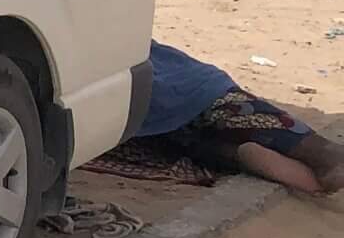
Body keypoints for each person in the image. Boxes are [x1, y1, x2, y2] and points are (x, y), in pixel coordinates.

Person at [138, 40, 344, 196]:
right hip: (178, 84)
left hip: (140, 117)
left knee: (188, 143)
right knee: (234, 110)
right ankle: (324, 153)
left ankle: (237, 156)